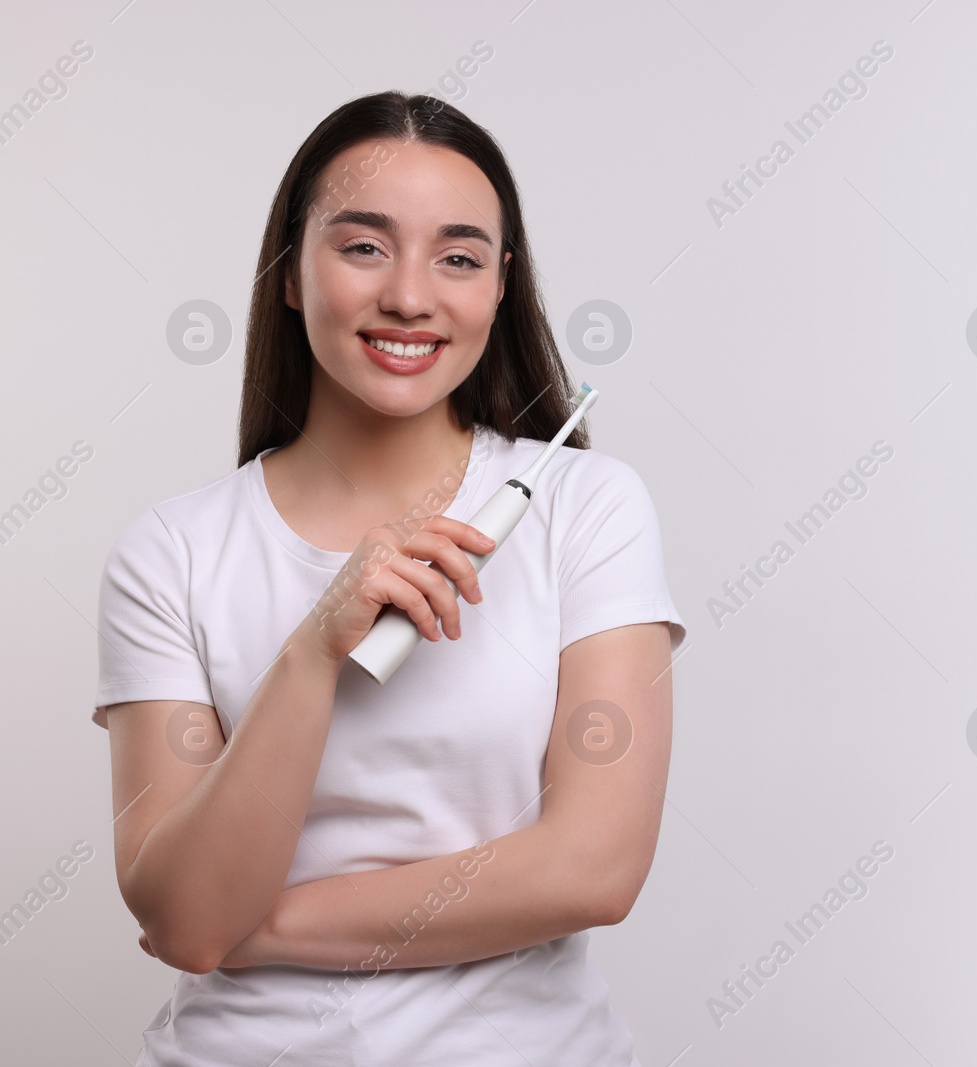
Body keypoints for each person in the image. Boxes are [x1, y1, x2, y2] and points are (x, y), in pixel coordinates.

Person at [93, 90, 686, 1065]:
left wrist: (260, 929)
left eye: (457, 258)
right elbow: (185, 905)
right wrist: (312, 651)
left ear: (499, 288)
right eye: (363, 246)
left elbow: (594, 867)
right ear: (289, 274)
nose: (410, 295)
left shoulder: (585, 505)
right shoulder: (173, 551)